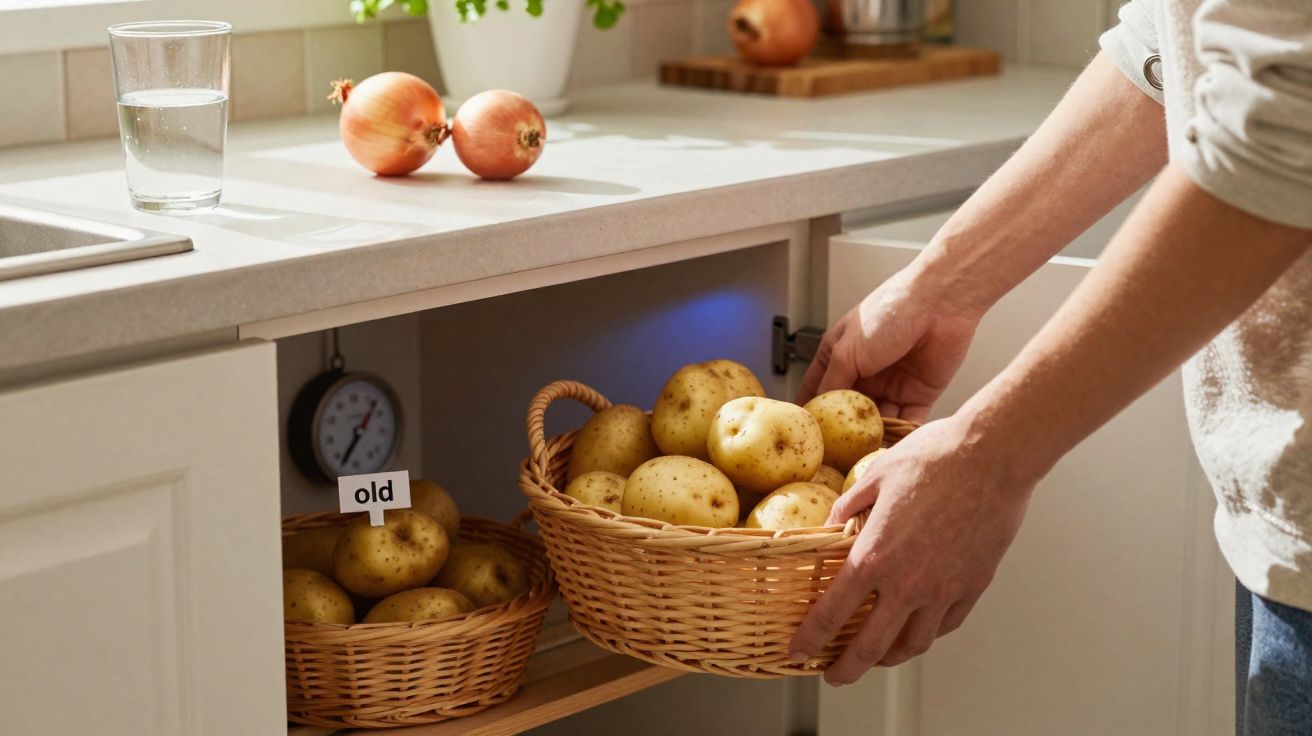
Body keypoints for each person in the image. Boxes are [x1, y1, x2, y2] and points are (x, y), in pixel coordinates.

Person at [785, 1, 1312, 731]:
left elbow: (1283, 126)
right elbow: (1173, 42)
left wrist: (988, 456)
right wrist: (942, 285)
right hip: (1281, 518)